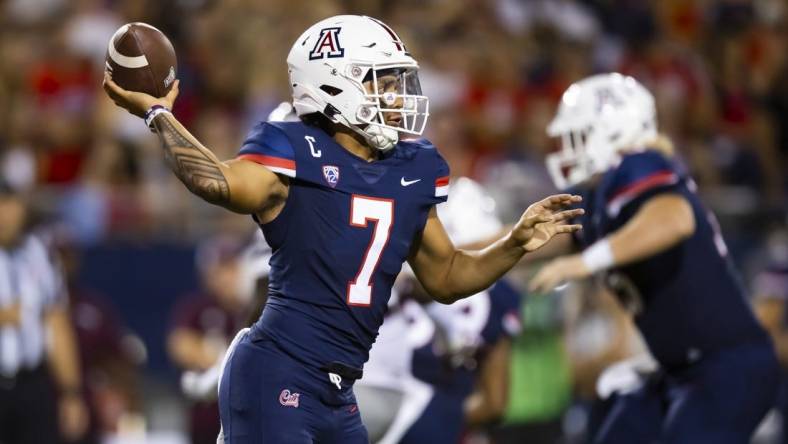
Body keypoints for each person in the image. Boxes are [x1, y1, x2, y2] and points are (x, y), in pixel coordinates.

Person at [103, 14, 582, 443]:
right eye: (382, 83)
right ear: (334, 85)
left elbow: (448, 277)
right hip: (277, 374)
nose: (398, 96)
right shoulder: (294, 149)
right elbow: (216, 181)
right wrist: (158, 114)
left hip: (341, 390)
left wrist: (514, 244)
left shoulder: (412, 168)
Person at [529, 72, 779, 443]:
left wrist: (586, 261)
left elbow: (675, 218)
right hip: (677, 369)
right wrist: (466, 252)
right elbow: (533, 235)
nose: (570, 148)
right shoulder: (599, 196)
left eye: (580, 135)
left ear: (613, 131)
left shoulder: (639, 163)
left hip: (725, 365)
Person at [356, 177, 522, 444]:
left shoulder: (400, 274)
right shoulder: (501, 294)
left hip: (385, 402)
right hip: (434, 417)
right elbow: (494, 403)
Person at [0, 179, 89, 443]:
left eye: (9, 203)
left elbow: (57, 324)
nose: (4, 213)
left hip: (32, 383)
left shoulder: (40, 253)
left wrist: (71, 393)